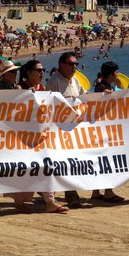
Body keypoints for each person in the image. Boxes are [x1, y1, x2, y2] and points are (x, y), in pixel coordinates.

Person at [12, 60, 69, 213]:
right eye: (38, 70)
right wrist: (26, 95)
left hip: (43, 136)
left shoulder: (43, 89)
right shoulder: (19, 88)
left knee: (47, 165)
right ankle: (22, 201)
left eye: (43, 70)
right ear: (28, 73)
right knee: (28, 169)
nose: (42, 72)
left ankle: (50, 200)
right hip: (25, 138)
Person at [46, 52, 86, 208]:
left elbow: (86, 98)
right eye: (71, 64)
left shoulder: (75, 80)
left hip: (74, 128)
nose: (74, 67)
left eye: (75, 64)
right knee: (64, 160)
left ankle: (68, 191)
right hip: (59, 128)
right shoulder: (53, 81)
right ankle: (70, 193)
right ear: (61, 64)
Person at [92, 61, 124, 202]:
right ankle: (108, 192)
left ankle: (96, 192)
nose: (118, 75)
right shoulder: (101, 87)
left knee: (101, 160)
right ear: (111, 74)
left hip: (101, 129)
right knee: (105, 160)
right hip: (102, 130)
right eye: (116, 72)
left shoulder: (106, 86)